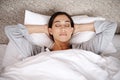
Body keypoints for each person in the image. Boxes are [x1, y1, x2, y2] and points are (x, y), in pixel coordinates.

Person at [2, 11, 117, 68]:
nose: (63, 28)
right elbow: (11, 31)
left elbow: (110, 26)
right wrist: (43, 29)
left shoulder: (86, 49)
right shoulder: (36, 52)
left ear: (72, 30)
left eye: (67, 25)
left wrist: (79, 27)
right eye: (57, 25)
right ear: (50, 31)